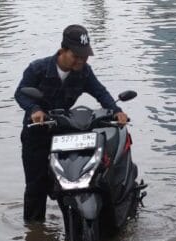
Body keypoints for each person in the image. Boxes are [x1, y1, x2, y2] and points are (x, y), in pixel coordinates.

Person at [14, 24, 128, 223]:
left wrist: (116, 111)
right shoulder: (37, 69)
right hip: (37, 133)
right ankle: (34, 230)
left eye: (84, 57)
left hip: (64, 133)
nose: (81, 61)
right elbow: (20, 93)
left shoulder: (84, 72)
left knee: (71, 181)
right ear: (62, 51)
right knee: (36, 186)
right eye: (76, 56)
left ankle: (75, 225)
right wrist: (34, 110)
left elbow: (100, 92)